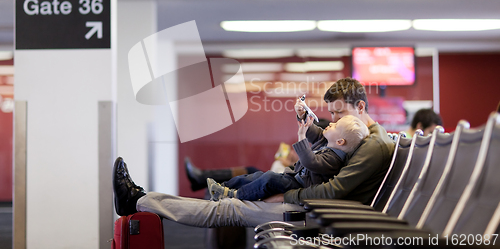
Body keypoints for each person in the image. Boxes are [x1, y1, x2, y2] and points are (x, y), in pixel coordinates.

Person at [113, 77, 395, 228]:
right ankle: (140, 198)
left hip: (314, 213)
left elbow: (333, 191)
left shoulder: (373, 145)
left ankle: (140, 200)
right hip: (310, 203)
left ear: (360, 107)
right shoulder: (361, 135)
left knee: (228, 209)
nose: (331, 120)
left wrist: (286, 195)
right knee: (235, 197)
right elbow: (324, 145)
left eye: (339, 113)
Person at [207, 115, 368, 201]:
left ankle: (235, 195)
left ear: (340, 141)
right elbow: (315, 133)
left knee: (268, 178)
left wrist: (301, 137)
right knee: (258, 176)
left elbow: (310, 161)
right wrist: (303, 116)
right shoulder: (328, 144)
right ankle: (223, 187)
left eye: (335, 126)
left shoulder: (334, 160)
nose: (331, 124)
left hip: (298, 184)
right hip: (294, 177)